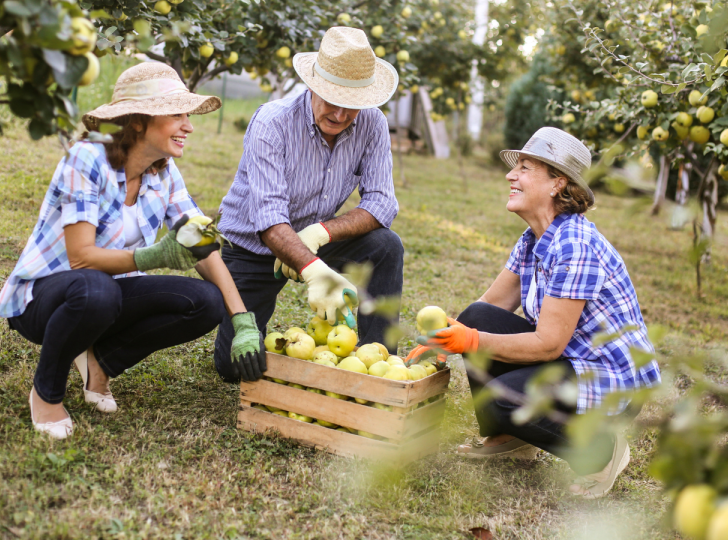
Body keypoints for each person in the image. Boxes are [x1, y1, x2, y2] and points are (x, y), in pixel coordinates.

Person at [0, 63, 265, 440]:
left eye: (187, 114)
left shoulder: (164, 172)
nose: (188, 125)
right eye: (177, 114)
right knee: (95, 290)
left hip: (108, 298)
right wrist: (155, 257)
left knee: (206, 302)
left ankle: (100, 366)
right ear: (138, 121)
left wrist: (241, 319)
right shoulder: (87, 158)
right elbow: (81, 258)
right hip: (44, 297)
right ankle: (46, 392)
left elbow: (201, 243)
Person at [407, 127, 660, 499]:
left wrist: (471, 341)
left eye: (524, 168)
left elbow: (548, 345)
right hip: (573, 361)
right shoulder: (534, 238)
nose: (511, 175)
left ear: (558, 183)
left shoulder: (576, 245)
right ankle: (510, 436)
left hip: (608, 378)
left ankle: (603, 452)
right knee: (477, 316)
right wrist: (448, 337)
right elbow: (488, 309)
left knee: (504, 398)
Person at [213, 26, 403, 382]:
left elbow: (382, 203)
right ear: (313, 85)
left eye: (354, 104)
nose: (342, 114)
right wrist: (312, 269)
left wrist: (320, 233)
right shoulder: (272, 123)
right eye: (333, 99)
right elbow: (269, 219)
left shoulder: (373, 124)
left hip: (319, 238)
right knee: (234, 366)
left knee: (386, 246)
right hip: (254, 250)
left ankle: (378, 365)